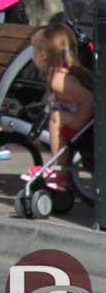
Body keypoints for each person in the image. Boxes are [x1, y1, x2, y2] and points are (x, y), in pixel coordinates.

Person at [20, 24, 93, 191]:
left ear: (46, 56)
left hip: (85, 121)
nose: (33, 58)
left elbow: (90, 99)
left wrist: (75, 127)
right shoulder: (64, 74)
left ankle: (58, 171)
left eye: (36, 52)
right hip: (83, 117)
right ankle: (57, 169)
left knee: (56, 119)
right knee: (55, 114)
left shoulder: (60, 80)